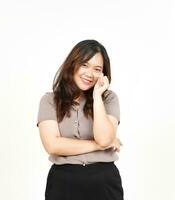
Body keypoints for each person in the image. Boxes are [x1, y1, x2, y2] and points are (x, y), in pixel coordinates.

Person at [36, 39, 124, 200]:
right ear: (72, 64)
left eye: (97, 69)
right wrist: (98, 145)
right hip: (63, 183)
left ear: (103, 74)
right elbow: (53, 145)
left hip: (104, 182)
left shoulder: (109, 99)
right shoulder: (50, 101)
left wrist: (97, 96)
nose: (90, 74)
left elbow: (104, 139)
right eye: (84, 65)